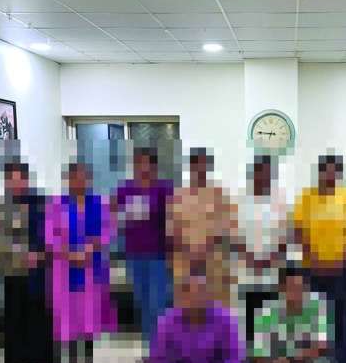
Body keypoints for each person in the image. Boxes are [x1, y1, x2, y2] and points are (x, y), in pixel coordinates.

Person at [45, 161, 115, 363]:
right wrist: (68, 253)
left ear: (89, 179)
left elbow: (108, 230)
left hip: (91, 266)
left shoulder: (99, 204)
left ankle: (88, 360)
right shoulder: (57, 204)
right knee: (67, 314)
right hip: (64, 267)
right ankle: (69, 361)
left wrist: (90, 248)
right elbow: (50, 235)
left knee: (88, 314)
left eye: (83, 177)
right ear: (68, 179)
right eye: (75, 177)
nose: (79, 181)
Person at [293, 154, 346, 342]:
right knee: (316, 317)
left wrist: (342, 261)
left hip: (344, 269)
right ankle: (316, 354)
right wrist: (314, 261)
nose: (330, 177)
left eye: (335, 173)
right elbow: (300, 233)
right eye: (327, 172)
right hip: (314, 269)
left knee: (345, 315)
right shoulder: (306, 198)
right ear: (320, 173)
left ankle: (344, 353)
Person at [0, 162, 55, 363]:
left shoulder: (41, 203)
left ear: (27, 180)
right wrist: (21, 254)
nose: (17, 184)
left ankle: (42, 362)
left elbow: (52, 232)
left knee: (38, 314)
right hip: (12, 271)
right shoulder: (1, 207)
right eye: (12, 180)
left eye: (20, 179)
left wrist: (41, 253)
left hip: (39, 269)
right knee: (14, 315)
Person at [114, 146, 174, 340]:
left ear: (154, 166)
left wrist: (172, 252)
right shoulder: (125, 190)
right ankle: (150, 344)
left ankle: (163, 343)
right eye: (139, 163)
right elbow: (115, 219)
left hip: (158, 254)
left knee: (158, 302)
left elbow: (172, 221)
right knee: (142, 301)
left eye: (147, 163)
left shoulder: (164, 188)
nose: (143, 167)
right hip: (134, 254)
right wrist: (121, 217)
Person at [168, 148, 238, 308]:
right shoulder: (178, 197)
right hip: (185, 262)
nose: (199, 169)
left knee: (218, 307)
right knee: (187, 308)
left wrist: (205, 250)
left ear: (208, 167)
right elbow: (172, 233)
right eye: (196, 165)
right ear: (190, 167)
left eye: (203, 165)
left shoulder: (220, 196)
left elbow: (228, 229)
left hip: (214, 261)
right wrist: (190, 253)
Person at [238, 154, 288, 342]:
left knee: (270, 320)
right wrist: (250, 259)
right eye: (260, 172)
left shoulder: (280, 201)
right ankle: (250, 355)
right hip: (246, 270)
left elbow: (285, 237)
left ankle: (270, 354)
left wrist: (269, 259)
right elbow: (234, 235)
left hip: (272, 271)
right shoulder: (241, 200)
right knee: (248, 319)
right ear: (253, 174)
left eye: (267, 173)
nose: (263, 177)